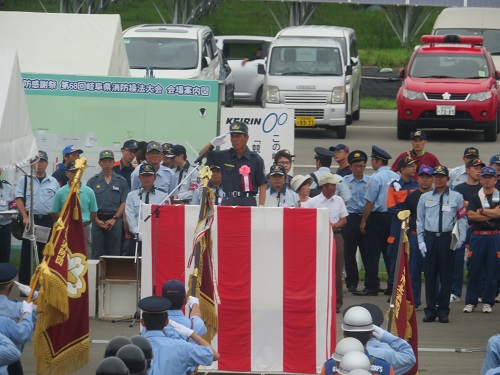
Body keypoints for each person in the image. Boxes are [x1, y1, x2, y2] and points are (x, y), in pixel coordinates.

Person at [417, 165, 467, 323]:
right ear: (433, 178)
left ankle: (443, 311)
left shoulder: (456, 197)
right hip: (430, 239)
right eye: (436, 176)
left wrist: (461, 239)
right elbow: (419, 220)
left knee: (446, 276)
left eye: (442, 176)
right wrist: (420, 241)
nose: (439, 179)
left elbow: (462, 219)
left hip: (447, 239)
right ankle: (430, 310)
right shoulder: (424, 198)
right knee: (430, 276)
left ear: (447, 179)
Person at [354, 146, 399, 296]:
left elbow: (370, 202)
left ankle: (372, 285)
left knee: (372, 252)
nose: (371, 162)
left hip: (378, 217)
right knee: (389, 252)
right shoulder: (395, 176)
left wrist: (364, 221)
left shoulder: (376, 177)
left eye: (373, 160)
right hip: (393, 217)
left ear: (379, 161)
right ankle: (392, 285)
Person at [138, 296, 219, 375]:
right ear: (166, 322)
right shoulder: (181, 346)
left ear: (142, 322)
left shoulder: (133, 346)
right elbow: (214, 355)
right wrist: (192, 334)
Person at [303, 173, 348, 312]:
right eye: (332, 185)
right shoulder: (313, 202)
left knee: (337, 269)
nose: (334, 188)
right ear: (324, 187)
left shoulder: (339, 200)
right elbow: (306, 221)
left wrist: (334, 226)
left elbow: (344, 219)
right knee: (318, 269)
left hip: (336, 236)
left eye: (335, 185)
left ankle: (336, 303)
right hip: (319, 237)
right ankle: (317, 300)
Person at [15, 150, 60, 285]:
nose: (39, 165)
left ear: (46, 164)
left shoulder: (53, 182)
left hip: (47, 220)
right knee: (27, 253)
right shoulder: (25, 180)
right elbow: (19, 199)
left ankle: (45, 284)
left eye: (42, 162)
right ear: (32, 164)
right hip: (30, 220)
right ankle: (25, 285)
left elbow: (58, 202)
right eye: (36, 162)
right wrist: (24, 216)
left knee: (45, 253)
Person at [201, 121, 267, 206]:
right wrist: (212, 143)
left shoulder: (255, 159)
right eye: (232, 136)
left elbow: (262, 184)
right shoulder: (225, 155)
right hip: (228, 200)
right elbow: (201, 154)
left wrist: (261, 206)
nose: (234, 139)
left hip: (247, 201)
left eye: (238, 136)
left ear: (246, 138)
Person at [463, 166, 500, 314]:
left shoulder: (498, 195)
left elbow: (499, 214)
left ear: (495, 180)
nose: (487, 180)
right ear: (481, 179)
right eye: (484, 177)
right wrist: (491, 213)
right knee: (474, 269)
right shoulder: (475, 197)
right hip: (477, 236)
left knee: (492, 270)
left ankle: (488, 302)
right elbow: (471, 215)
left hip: (494, 236)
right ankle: (471, 301)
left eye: (490, 177)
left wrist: (483, 211)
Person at [345, 304, 416, 375]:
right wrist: (385, 336)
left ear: (345, 334)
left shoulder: (339, 355)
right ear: (371, 333)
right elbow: (410, 357)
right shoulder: (385, 353)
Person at [450, 158, 484, 303]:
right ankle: (455, 292)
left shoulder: (484, 189)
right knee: (457, 260)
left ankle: (479, 292)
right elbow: (457, 206)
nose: (479, 171)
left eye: (480, 168)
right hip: (462, 228)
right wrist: (476, 206)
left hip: (478, 229)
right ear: (468, 170)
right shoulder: (459, 188)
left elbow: (488, 208)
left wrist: (467, 204)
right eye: (475, 168)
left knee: (477, 262)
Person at [401, 165, 434, 309]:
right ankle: (414, 301)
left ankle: (433, 301)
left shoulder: (437, 197)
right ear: (418, 178)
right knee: (414, 270)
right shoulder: (412, 197)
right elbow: (405, 217)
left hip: (431, 237)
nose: (425, 180)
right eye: (422, 177)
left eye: (428, 177)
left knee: (432, 270)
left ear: (432, 179)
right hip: (415, 236)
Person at [385, 156, 418, 296]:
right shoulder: (394, 186)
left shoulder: (416, 185)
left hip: (414, 226)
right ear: (402, 169)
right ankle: (392, 287)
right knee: (395, 255)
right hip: (398, 226)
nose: (414, 168)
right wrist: (405, 215)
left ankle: (407, 287)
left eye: (414, 166)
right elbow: (391, 207)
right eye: (411, 166)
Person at [87, 150, 130, 259]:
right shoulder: (93, 181)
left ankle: (113, 276)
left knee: (114, 254)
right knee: (96, 253)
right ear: (99, 163)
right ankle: (97, 276)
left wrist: (114, 219)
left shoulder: (121, 181)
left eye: (109, 161)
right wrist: (96, 219)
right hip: (98, 220)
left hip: (115, 221)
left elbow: (124, 202)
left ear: (113, 163)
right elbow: (88, 203)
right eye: (104, 161)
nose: (107, 164)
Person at [51, 161, 98, 253]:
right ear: (67, 173)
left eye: (78, 172)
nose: (75, 175)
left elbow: (94, 212)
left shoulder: (89, 191)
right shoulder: (60, 192)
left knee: (83, 255)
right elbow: (53, 212)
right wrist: (62, 222)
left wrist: (85, 223)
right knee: (64, 254)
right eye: (72, 172)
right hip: (65, 228)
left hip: (83, 227)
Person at [341, 150, 370, 293]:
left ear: (365, 166)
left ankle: (371, 282)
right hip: (350, 218)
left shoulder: (371, 180)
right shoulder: (344, 181)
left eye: (361, 166)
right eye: (355, 166)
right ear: (351, 167)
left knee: (368, 251)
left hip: (366, 217)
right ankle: (351, 282)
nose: (358, 169)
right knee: (349, 251)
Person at [124, 163, 169, 256]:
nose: (146, 178)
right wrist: (137, 232)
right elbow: (130, 215)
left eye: (149, 175)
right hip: (136, 236)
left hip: (157, 236)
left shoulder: (164, 196)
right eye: (144, 176)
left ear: (154, 177)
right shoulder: (132, 195)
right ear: (139, 178)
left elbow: (165, 217)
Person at [0, 263, 35, 375]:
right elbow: (54, 308)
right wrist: (35, 295)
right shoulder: (20, 309)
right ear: (11, 287)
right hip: (11, 366)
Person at [340, 306, 395, 375]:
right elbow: (408, 355)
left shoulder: (330, 366)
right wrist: (384, 335)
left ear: (344, 334)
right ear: (371, 334)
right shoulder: (385, 368)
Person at [0, 178, 14, 263]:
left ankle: (4, 276)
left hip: (4, 227)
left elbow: (14, 206)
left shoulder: (8, 188)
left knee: (5, 255)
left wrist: (11, 213)